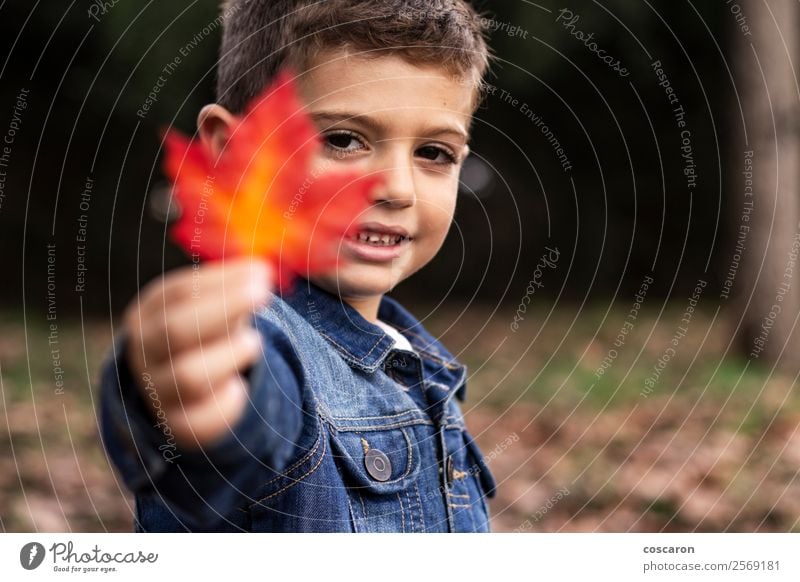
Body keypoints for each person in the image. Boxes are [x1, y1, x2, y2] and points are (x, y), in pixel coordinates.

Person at [100, 0, 496, 532]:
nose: (397, 188)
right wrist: (201, 404)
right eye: (342, 140)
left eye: (434, 152)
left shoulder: (416, 363)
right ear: (229, 150)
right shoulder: (265, 342)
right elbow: (255, 417)